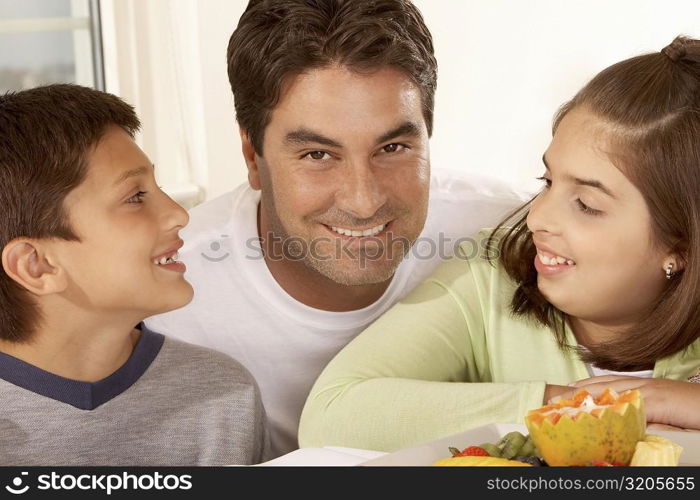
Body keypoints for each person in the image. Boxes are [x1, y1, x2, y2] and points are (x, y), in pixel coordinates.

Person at [145, 0, 527, 457]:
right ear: (252, 157)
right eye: (317, 155)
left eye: (393, 147)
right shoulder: (166, 296)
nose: (363, 200)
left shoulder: (513, 232)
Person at [298, 36, 700, 452]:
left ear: (682, 245)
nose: (537, 218)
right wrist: (571, 407)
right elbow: (331, 415)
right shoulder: (490, 278)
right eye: (547, 182)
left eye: (586, 204)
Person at [0, 84, 268, 465]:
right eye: (135, 197)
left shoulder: (222, 397)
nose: (179, 214)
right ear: (36, 265)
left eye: (156, 186)